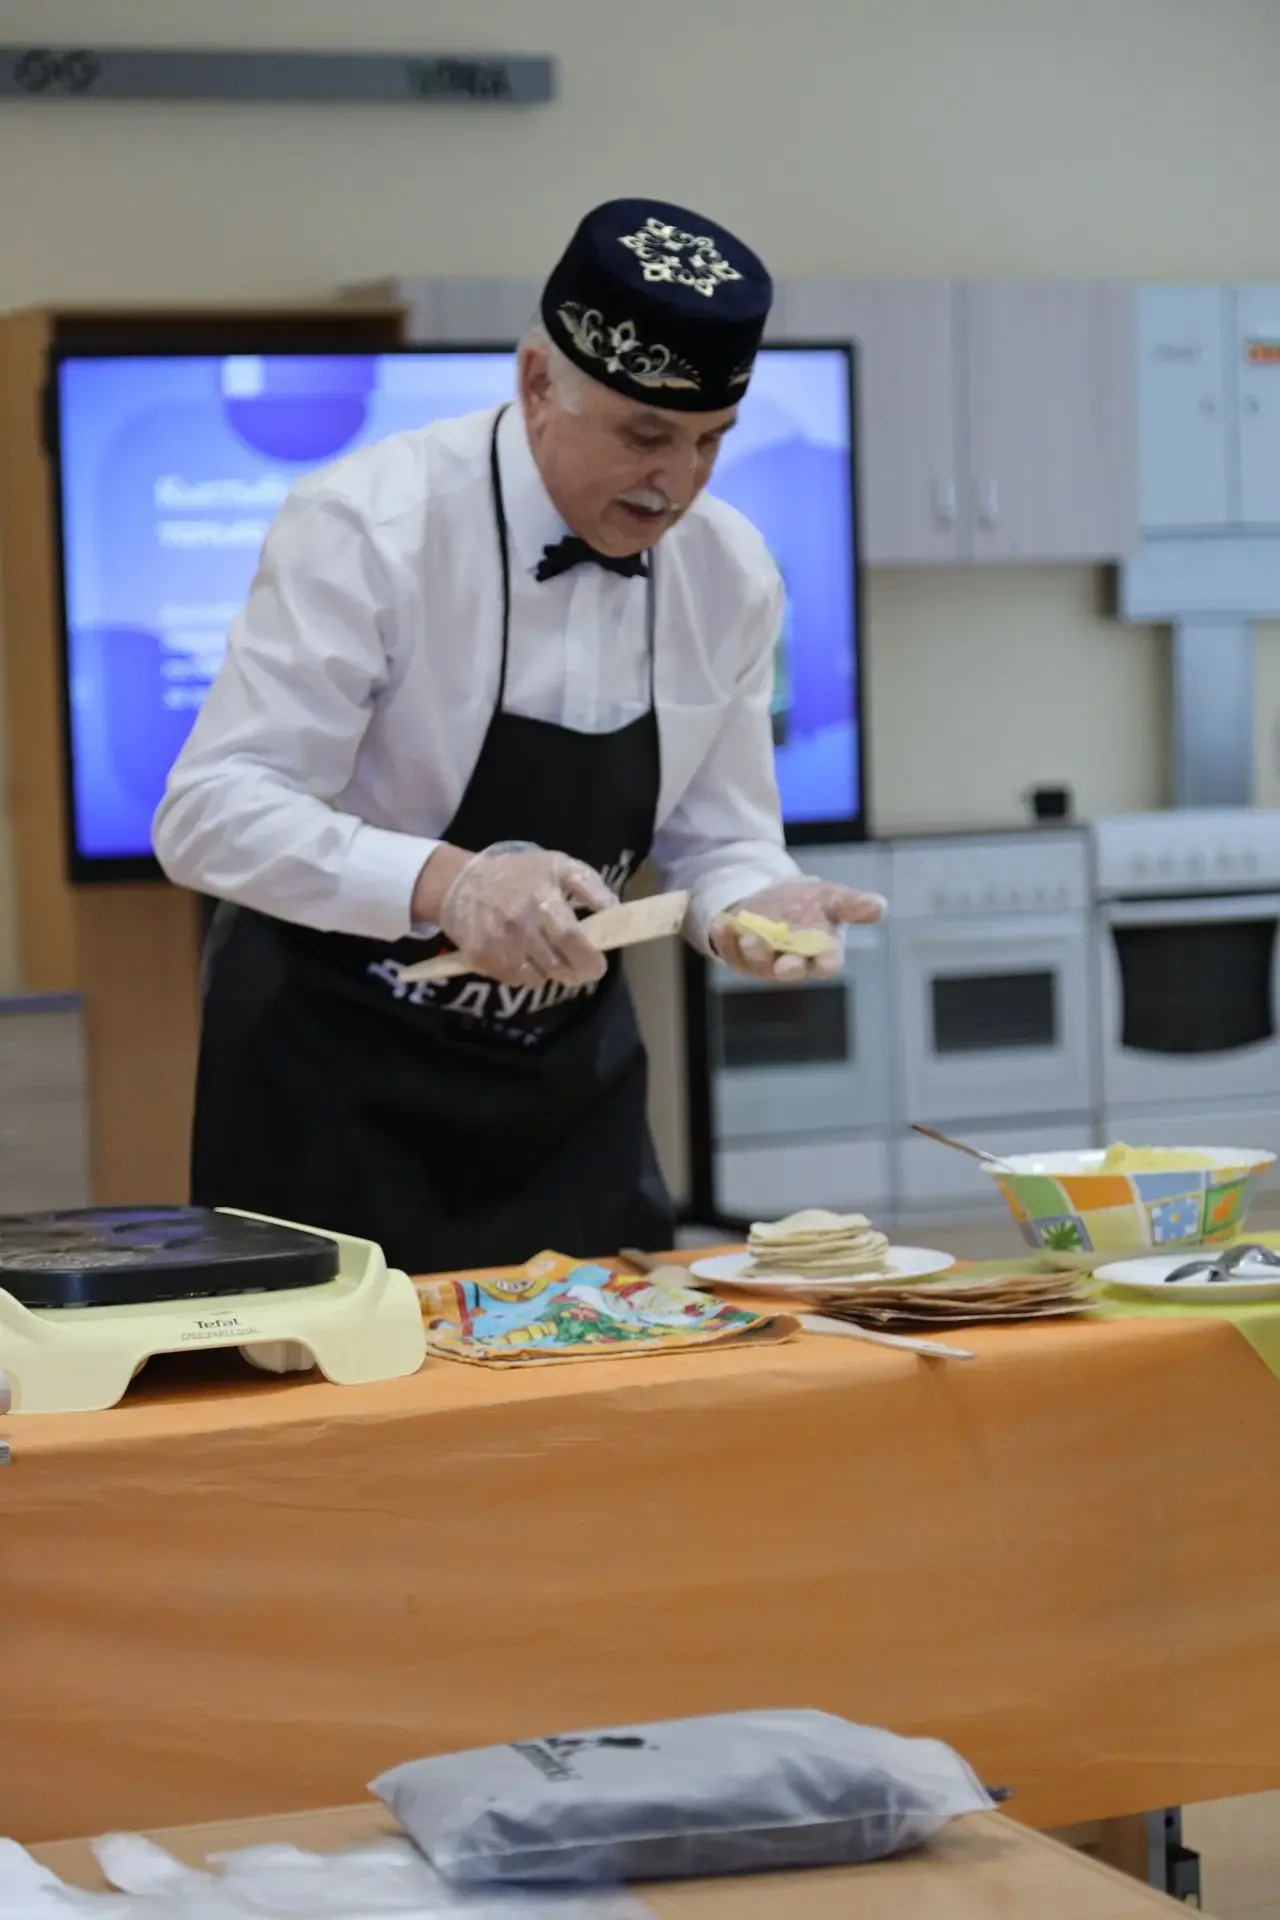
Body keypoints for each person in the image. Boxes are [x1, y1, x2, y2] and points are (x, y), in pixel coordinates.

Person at [153, 197, 884, 1272]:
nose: (675, 484)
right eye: (645, 435)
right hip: (332, 1086)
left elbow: (721, 839)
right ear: (539, 382)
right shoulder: (370, 527)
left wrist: (752, 905)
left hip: (563, 1101)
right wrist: (451, 883)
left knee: (615, 1373)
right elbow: (209, 812)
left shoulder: (729, 573)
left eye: (708, 444)